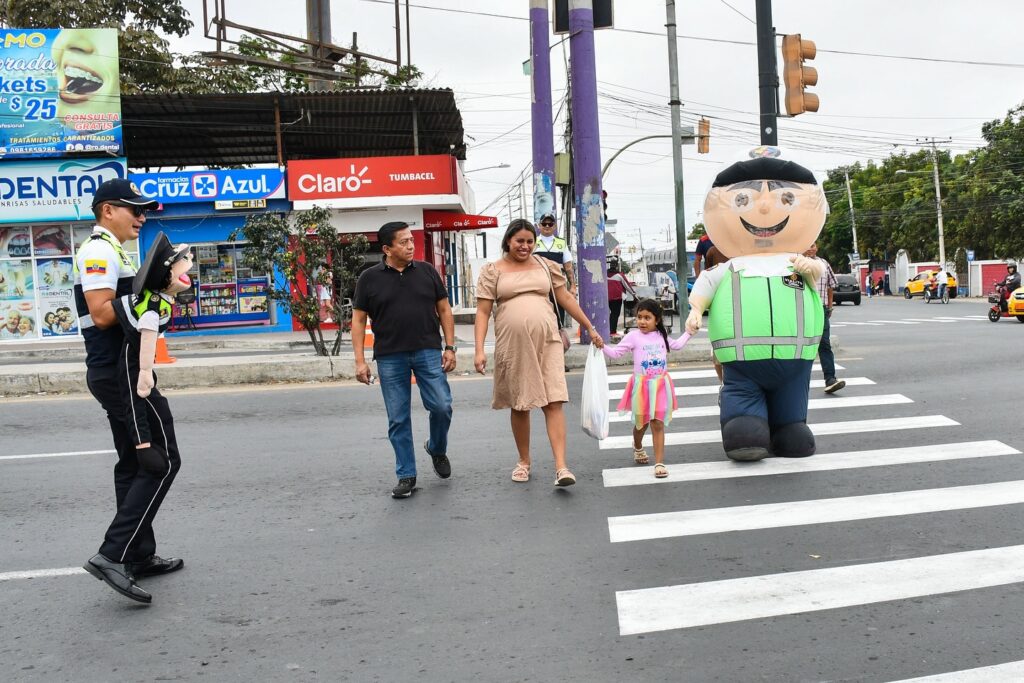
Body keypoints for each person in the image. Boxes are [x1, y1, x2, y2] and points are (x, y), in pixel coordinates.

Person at [77, 179, 184, 605]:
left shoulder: (115, 250)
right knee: (162, 459)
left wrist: (155, 292)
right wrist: (156, 295)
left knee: (132, 464)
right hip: (119, 372)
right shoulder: (98, 251)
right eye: (133, 209)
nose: (141, 217)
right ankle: (112, 555)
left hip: (116, 370)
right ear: (107, 210)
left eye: (143, 211)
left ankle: (138, 554)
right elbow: (103, 314)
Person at [686, 147, 828, 462]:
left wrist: (812, 267)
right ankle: (744, 424)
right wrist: (695, 310)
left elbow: (817, 273)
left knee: (793, 425)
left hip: (796, 362)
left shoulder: (797, 263)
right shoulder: (730, 267)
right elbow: (705, 286)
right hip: (742, 365)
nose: (764, 209)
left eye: (787, 199)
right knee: (744, 426)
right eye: (743, 200)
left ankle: (789, 425)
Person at [474, 219, 604, 487]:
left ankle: (561, 467)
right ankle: (524, 461)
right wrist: (478, 350)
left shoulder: (546, 266)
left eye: (529, 241)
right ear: (508, 241)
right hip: (513, 344)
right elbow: (483, 312)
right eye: (519, 241)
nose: (525, 246)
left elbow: (565, 298)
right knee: (520, 403)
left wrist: (590, 327)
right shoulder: (493, 271)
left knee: (554, 401)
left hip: (548, 341)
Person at [352, 222, 456, 499]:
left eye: (411, 240)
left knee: (442, 406)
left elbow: (444, 309)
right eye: (404, 242)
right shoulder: (368, 278)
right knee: (398, 418)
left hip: (427, 350)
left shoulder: (427, 271)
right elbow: (358, 320)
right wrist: (360, 361)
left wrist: (450, 347)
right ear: (387, 249)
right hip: (389, 356)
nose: (411, 246)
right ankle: (406, 474)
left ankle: (436, 448)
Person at [601, 299, 691, 478]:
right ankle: (637, 445)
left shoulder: (661, 335)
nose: (642, 321)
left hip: (660, 386)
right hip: (641, 387)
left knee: (657, 423)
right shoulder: (633, 337)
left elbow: (677, 345)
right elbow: (616, 353)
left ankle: (659, 463)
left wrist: (689, 332)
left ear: (657, 320)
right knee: (641, 424)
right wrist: (601, 345)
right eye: (639, 317)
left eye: (647, 318)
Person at [804, 243, 845, 394]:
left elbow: (830, 286)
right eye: (808, 245)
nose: (811, 248)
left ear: (818, 247)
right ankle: (796, 381)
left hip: (821, 309)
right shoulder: (797, 263)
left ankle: (830, 379)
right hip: (803, 309)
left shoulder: (824, 263)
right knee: (803, 346)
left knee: (824, 344)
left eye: (813, 245)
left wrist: (830, 306)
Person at [532, 213, 576, 328]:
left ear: (554, 226)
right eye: (544, 224)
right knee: (540, 317)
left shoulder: (561, 243)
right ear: (539, 226)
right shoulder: (533, 242)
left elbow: (568, 267)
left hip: (558, 286)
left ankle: (558, 335)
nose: (547, 226)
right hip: (539, 287)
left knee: (558, 317)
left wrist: (572, 286)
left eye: (550, 224)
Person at [607, 263, 637, 338]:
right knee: (615, 314)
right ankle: (612, 332)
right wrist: (633, 294)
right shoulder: (619, 275)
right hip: (617, 298)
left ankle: (608, 331)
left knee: (610, 314)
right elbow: (627, 285)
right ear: (617, 267)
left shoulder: (605, 274)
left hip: (606, 297)